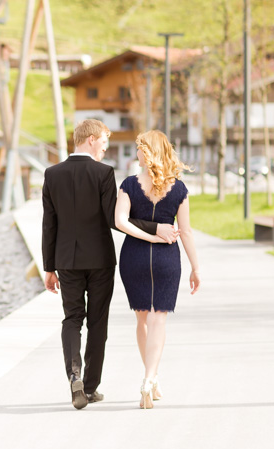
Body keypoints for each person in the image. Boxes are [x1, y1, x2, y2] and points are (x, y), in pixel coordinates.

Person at [42, 119, 178, 410]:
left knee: (72, 318)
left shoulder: (52, 174)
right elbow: (114, 219)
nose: (105, 150)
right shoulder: (103, 173)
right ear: (91, 140)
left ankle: (74, 375)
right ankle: (90, 388)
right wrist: (158, 227)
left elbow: (48, 225)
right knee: (97, 322)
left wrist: (48, 267)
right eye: (103, 143)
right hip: (100, 260)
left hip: (66, 260)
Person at [114, 130, 201, 410]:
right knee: (158, 321)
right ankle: (150, 378)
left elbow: (121, 222)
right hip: (166, 259)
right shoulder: (179, 189)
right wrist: (195, 267)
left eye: (139, 148)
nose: (136, 153)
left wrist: (148, 237)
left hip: (133, 257)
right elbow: (185, 232)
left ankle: (151, 377)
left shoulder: (128, 184)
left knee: (142, 321)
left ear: (148, 152)